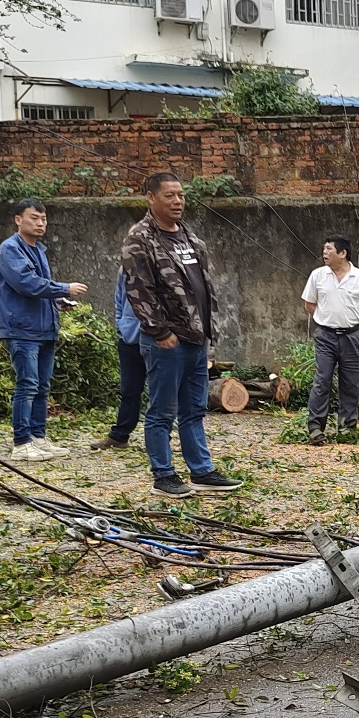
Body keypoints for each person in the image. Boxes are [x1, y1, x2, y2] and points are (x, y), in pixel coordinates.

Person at [121, 172, 240, 499]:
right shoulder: (140, 238)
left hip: (196, 340)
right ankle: (164, 476)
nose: (177, 202)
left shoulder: (189, 237)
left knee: (194, 409)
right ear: (151, 197)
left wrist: (206, 332)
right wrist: (159, 331)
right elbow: (139, 290)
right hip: (166, 342)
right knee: (162, 411)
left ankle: (201, 471)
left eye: (181, 196)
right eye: (170, 196)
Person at [0, 197, 88, 463]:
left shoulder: (38, 250)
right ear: (18, 220)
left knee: (42, 386)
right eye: (34, 218)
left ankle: (38, 437)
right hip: (22, 330)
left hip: (45, 328)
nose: (40, 223)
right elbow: (27, 284)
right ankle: (22, 442)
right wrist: (63, 288)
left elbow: (41, 286)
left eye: (43, 219)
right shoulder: (10, 249)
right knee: (27, 384)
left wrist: (60, 301)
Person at [300, 234, 359, 445]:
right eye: (324, 249)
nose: (324, 253)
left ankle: (347, 428)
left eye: (329, 249)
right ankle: (315, 428)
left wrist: (349, 321)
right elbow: (309, 305)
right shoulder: (317, 276)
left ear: (343, 253)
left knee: (351, 383)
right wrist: (326, 320)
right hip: (325, 337)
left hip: (351, 336)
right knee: (322, 380)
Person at [89, 270, 147, 451]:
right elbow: (119, 300)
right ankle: (119, 435)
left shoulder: (163, 263)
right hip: (129, 338)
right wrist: (121, 327)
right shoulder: (126, 269)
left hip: (158, 339)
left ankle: (159, 439)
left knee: (159, 393)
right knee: (129, 390)